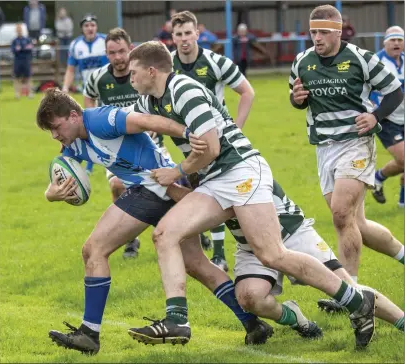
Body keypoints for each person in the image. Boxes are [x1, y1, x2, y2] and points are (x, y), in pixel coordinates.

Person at [125, 40, 377, 350]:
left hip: (241, 169)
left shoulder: (184, 90)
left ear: (152, 71)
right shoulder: (150, 101)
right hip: (214, 180)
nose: (130, 77)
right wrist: (81, 128)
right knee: (165, 234)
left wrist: (176, 171)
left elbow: (213, 149)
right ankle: (176, 320)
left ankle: (356, 300)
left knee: (271, 254)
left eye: (133, 71)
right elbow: (123, 121)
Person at [37, 89, 273, 354]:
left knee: (94, 250)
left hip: (152, 186)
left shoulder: (101, 119)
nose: (55, 135)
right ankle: (253, 323)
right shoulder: (72, 141)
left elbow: (146, 121)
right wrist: (51, 194)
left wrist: (187, 133)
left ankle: (89, 334)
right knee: (196, 264)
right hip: (163, 190)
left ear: (73, 115)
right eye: (50, 132)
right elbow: (59, 174)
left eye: (56, 127)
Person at [169, 174, 405, 336]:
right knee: (250, 297)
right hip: (251, 246)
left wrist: (168, 188)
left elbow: (219, 208)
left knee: (347, 285)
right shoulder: (203, 168)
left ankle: (400, 321)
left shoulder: (240, 163)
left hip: (291, 232)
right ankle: (295, 318)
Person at [289, 4, 404, 278]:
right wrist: (295, 99)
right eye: (313, 31)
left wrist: (375, 117)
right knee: (356, 224)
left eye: (323, 32)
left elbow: (394, 92)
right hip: (324, 148)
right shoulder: (302, 62)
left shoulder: (361, 59)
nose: (317, 38)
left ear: (338, 32)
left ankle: (351, 292)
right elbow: (296, 100)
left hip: (356, 143)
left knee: (340, 215)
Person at [171, 10, 256, 271]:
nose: (184, 39)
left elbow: (246, 92)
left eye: (188, 33)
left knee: (221, 196)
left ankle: (223, 254)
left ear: (198, 33)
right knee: (210, 196)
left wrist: (235, 129)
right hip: (187, 146)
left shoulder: (215, 61)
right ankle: (225, 252)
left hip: (217, 143)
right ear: (172, 37)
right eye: (179, 34)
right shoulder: (167, 65)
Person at [83, 27, 142, 259]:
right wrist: (93, 121)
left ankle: (192, 234)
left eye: (121, 51)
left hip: (149, 141)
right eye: (111, 52)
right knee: (117, 185)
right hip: (115, 147)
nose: (117, 57)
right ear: (106, 54)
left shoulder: (141, 73)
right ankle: (130, 239)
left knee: (166, 190)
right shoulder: (98, 77)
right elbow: (88, 95)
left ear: (130, 49)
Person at [63, 13, 108, 175]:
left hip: (105, 90)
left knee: (105, 127)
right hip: (88, 93)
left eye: (93, 25)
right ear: (82, 29)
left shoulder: (105, 41)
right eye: (87, 26)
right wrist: (65, 88)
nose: (90, 28)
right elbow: (70, 69)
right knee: (88, 127)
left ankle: (111, 160)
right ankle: (90, 165)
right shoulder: (76, 45)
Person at [370, 26, 404, 208]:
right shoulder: (377, 62)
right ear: (385, 42)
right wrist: (377, 108)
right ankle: (378, 177)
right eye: (393, 40)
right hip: (387, 119)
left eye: (400, 40)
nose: (396, 43)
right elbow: (367, 88)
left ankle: (402, 203)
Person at [11, 23, 33, 99]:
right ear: (16, 31)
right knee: (16, 77)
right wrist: (22, 49)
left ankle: (30, 93)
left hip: (26, 60)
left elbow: (29, 48)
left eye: (20, 29)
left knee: (28, 77)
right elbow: (14, 50)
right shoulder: (14, 41)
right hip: (17, 60)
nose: (19, 31)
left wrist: (21, 49)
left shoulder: (27, 39)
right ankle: (17, 94)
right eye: (18, 29)